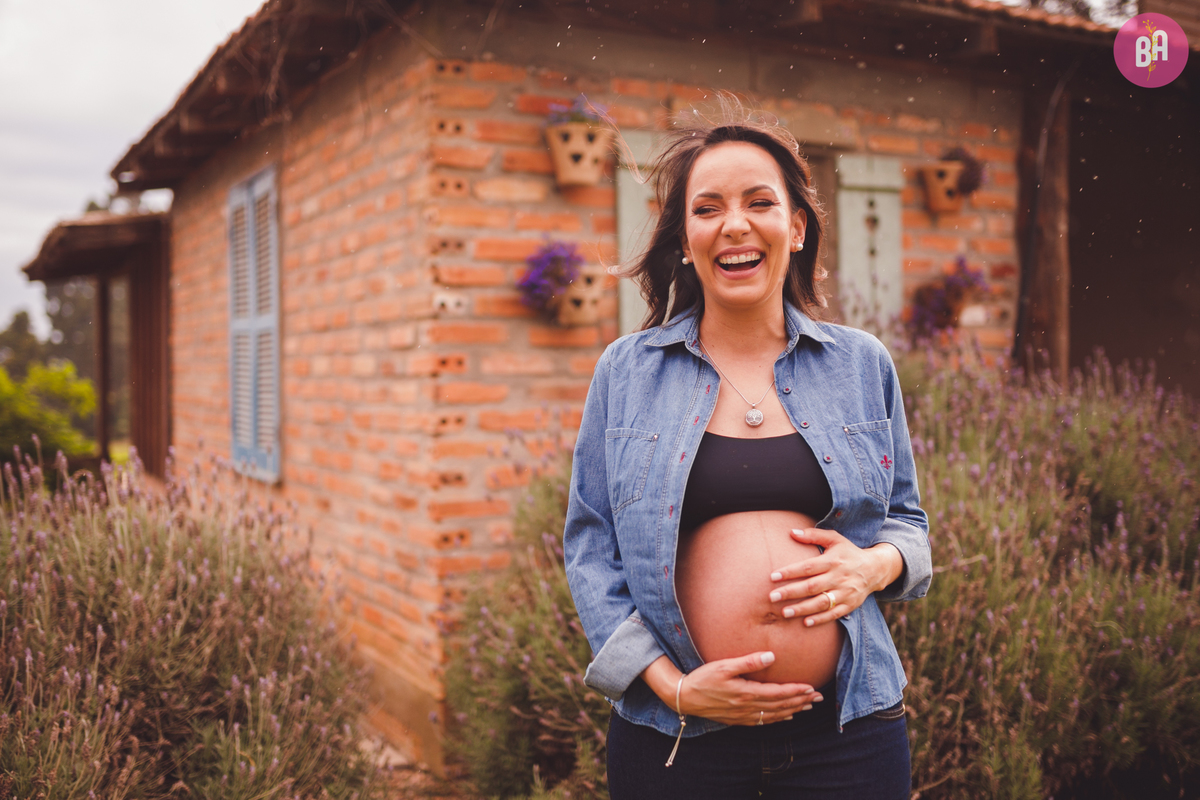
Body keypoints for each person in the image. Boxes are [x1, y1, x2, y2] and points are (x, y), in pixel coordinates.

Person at [563, 102, 931, 799]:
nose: (734, 223)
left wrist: (871, 568)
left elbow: (909, 526)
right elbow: (591, 547)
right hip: (677, 738)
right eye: (708, 209)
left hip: (848, 735)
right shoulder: (627, 373)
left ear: (795, 228)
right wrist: (674, 690)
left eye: (760, 202)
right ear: (685, 239)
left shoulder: (861, 365)